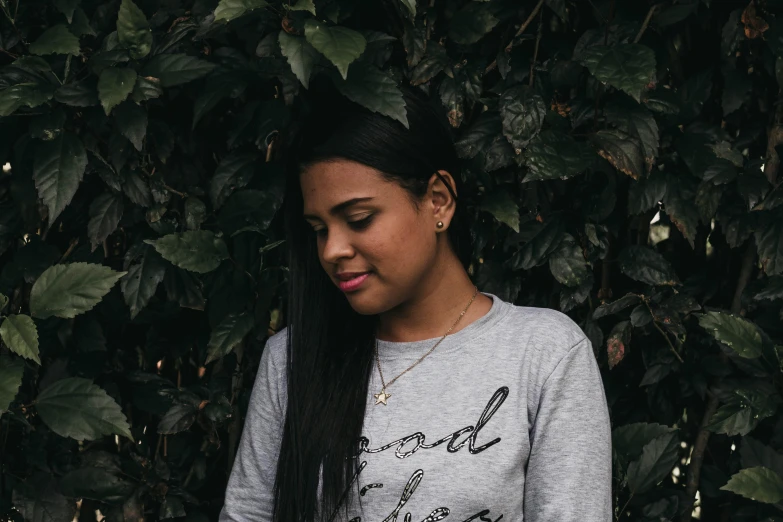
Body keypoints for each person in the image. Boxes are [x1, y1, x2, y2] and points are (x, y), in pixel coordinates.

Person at [218, 80, 613, 522]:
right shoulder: (292, 360)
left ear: (438, 201)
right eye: (319, 228)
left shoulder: (543, 353)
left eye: (358, 219)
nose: (331, 250)